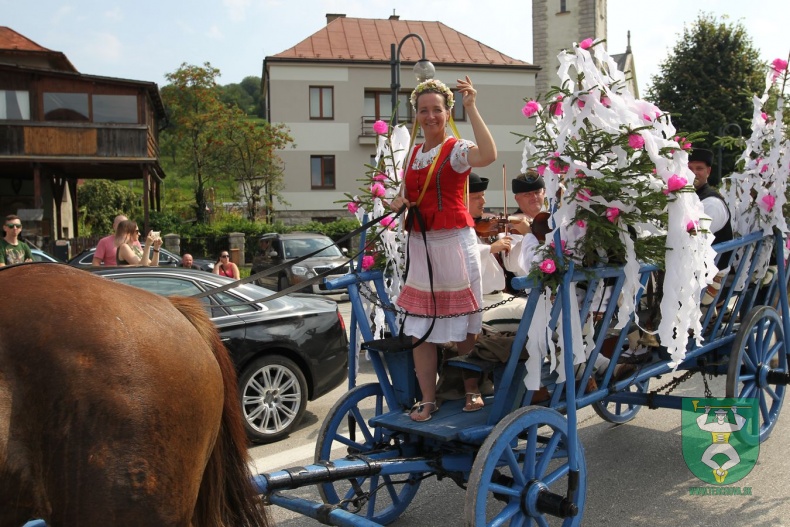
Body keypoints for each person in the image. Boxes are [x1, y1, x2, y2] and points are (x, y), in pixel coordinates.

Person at [388, 76, 497, 421]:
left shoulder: (457, 149)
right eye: (424, 110)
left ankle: (471, 389)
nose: (430, 116)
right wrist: (397, 200)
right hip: (421, 243)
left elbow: (490, 155)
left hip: (453, 241)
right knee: (420, 325)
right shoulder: (413, 154)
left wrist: (472, 107)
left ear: (446, 111)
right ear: (416, 115)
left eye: (436, 109)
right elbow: (405, 194)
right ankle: (428, 398)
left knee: (463, 321)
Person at [688, 147, 734, 305]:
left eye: (699, 168)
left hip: (706, 278)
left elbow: (692, 238)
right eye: (689, 168)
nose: (693, 173)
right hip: (691, 270)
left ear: (708, 171)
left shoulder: (711, 203)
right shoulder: (686, 197)